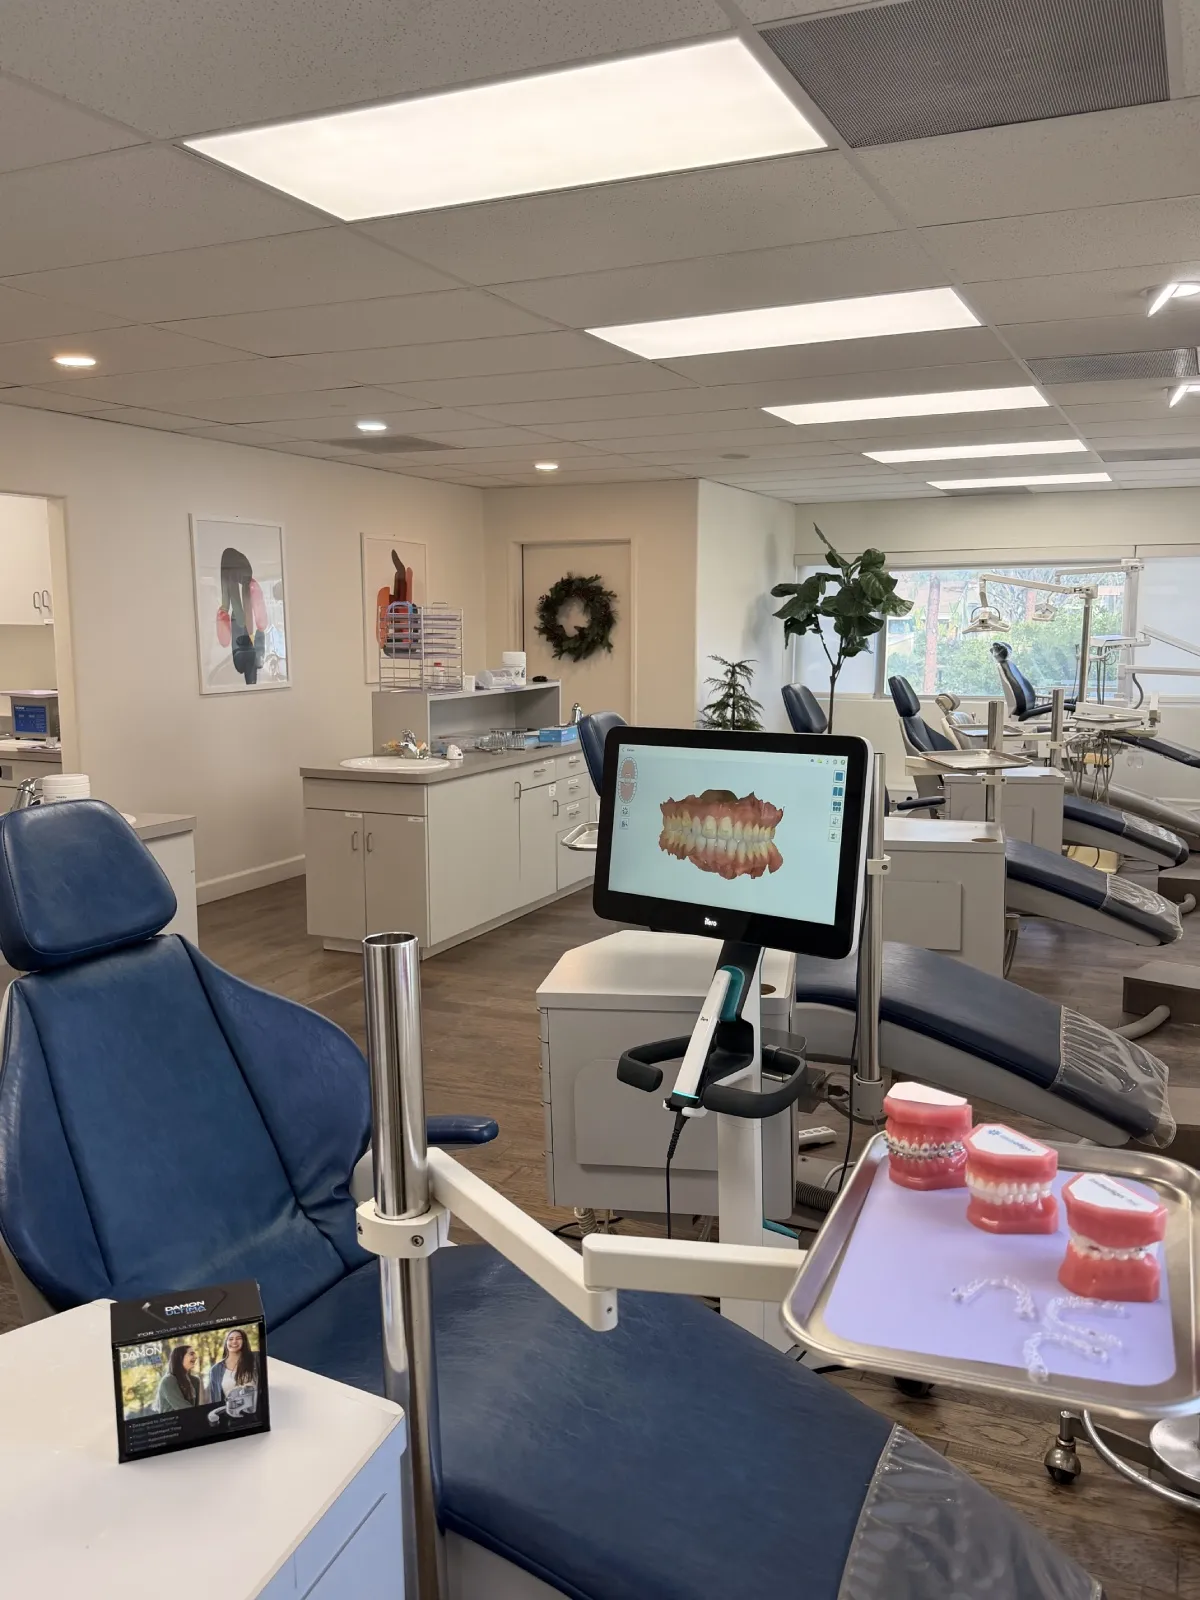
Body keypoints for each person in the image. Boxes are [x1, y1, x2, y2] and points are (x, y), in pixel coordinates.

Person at [207, 1328, 258, 1410]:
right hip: (230, 1415)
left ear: (244, 1341)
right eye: (230, 1339)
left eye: (238, 1338)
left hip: (255, 1411)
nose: (234, 1341)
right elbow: (215, 1400)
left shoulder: (256, 1359)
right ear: (226, 1343)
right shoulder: (215, 1370)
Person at [155, 1344, 200, 1412]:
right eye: (191, 1354)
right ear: (180, 1357)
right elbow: (183, 1408)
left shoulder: (195, 1381)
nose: (196, 1357)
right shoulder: (168, 1381)